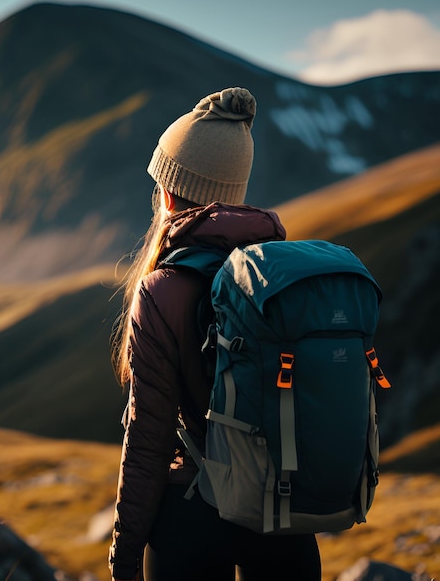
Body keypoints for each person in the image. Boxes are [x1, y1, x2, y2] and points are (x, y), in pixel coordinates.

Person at [108, 87, 322, 581]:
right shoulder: (286, 274)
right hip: (283, 514)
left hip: (193, 513)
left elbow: (149, 439)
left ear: (168, 192)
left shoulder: (163, 291)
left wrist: (123, 557)